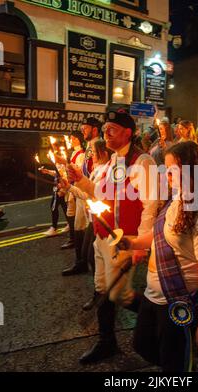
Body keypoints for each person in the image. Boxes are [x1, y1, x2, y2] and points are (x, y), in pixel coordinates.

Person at [118, 141, 198, 372]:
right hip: (153, 294)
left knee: (173, 365)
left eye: (172, 169)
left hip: (177, 300)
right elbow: (160, 235)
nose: (166, 175)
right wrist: (134, 242)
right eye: (165, 168)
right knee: (142, 345)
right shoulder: (176, 199)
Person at [66, 109, 158, 363]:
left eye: (111, 130)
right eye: (105, 129)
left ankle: (164, 317)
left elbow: (151, 205)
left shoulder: (142, 162)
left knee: (119, 294)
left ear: (128, 133)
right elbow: (99, 193)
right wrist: (81, 180)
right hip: (102, 237)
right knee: (102, 290)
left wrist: (141, 244)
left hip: (124, 239)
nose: (105, 133)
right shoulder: (111, 161)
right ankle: (107, 342)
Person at [59, 139, 112, 310]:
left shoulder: (107, 172)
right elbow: (86, 194)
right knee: (89, 255)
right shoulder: (97, 170)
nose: (92, 156)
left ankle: (104, 294)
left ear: (103, 153)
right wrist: (70, 187)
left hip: (102, 220)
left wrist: (76, 187)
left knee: (92, 256)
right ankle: (101, 292)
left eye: (94, 153)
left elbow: (93, 195)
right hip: (94, 218)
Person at [62, 117, 102, 276]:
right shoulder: (89, 147)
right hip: (82, 190)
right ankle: (81, 262)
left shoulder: (99, 146)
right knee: (79, 226)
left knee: (89, 231)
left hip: (90, 193)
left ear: (94, 129)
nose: (82, 131)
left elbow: (96, 172)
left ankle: (89, 265)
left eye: (85, 128)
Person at [60, 131, 85, 250]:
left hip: (77, 187)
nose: (71, 140)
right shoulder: (74, 152)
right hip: (71, 186)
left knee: (74, 215)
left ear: (78, 140)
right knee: (71, 213)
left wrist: (65, 163)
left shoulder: (81, 154)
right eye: (70, 138)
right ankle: (73, 238)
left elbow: (78, 171)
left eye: (73, 138)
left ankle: (75, 240)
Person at [41, 143, 68, 237]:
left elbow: (65, 175)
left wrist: (63, 190)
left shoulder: (63, 159)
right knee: (65, 207)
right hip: (58, 188)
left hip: (60, 189)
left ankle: (54, 228)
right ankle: (69, 224)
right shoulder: (57, 162)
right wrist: (48, 171)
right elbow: (57, 174)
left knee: (54, 207)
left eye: (54, 148)